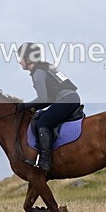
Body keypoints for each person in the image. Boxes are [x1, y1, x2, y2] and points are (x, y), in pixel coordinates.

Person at [16, 42, 81, 172]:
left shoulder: (38, 73)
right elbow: (48, 99)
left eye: (21, 58)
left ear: (28, 59)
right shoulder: (45, 67)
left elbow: (43, 99)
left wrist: (23, 106)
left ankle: (45, 160)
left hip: (66, 99)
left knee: (42, 123)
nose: (19, 62)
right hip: (70, 98)